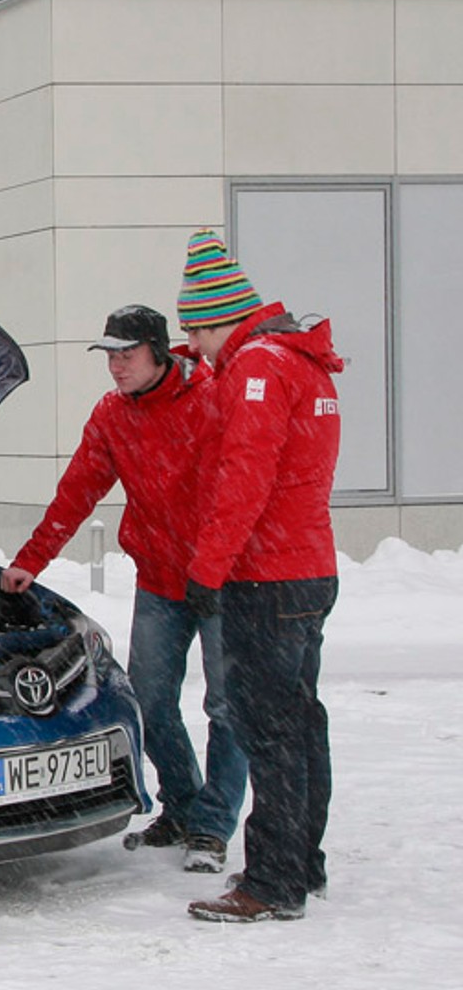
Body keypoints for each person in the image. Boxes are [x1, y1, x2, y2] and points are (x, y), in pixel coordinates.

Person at [0, 304, 243, 874]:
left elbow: (243, 486)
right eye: (108, 355)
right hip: (161, 580)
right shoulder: (112, 415)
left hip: (223, 580)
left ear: (159, 352)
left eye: (126, 354)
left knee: (228, 707)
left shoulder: (211, 398)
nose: (114, 366)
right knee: (150, 701)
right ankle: (182, 806)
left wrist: (220, 564)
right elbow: (77, 490)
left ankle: (212, 825)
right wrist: (31, 560)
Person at [174, 229, 343, 924]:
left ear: (221, 321)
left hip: (265, 576)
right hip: (308, 569)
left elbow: (242, 481)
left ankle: (272, 882)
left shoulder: (257, 371)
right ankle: (303, 858)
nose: (199, 349)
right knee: (301, 723)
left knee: (267, 730)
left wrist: (207, 572)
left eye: (198, 333)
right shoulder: (299, 361)